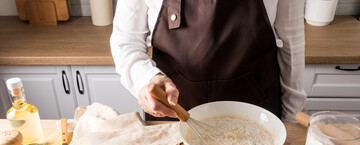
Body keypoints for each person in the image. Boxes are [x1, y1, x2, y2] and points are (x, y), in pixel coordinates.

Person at [110, 0, 306, 121]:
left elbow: (292, 38)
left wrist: (292, 118)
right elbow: (126, 41)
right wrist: (146, 79)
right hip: (175, 113)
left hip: (257, 114)